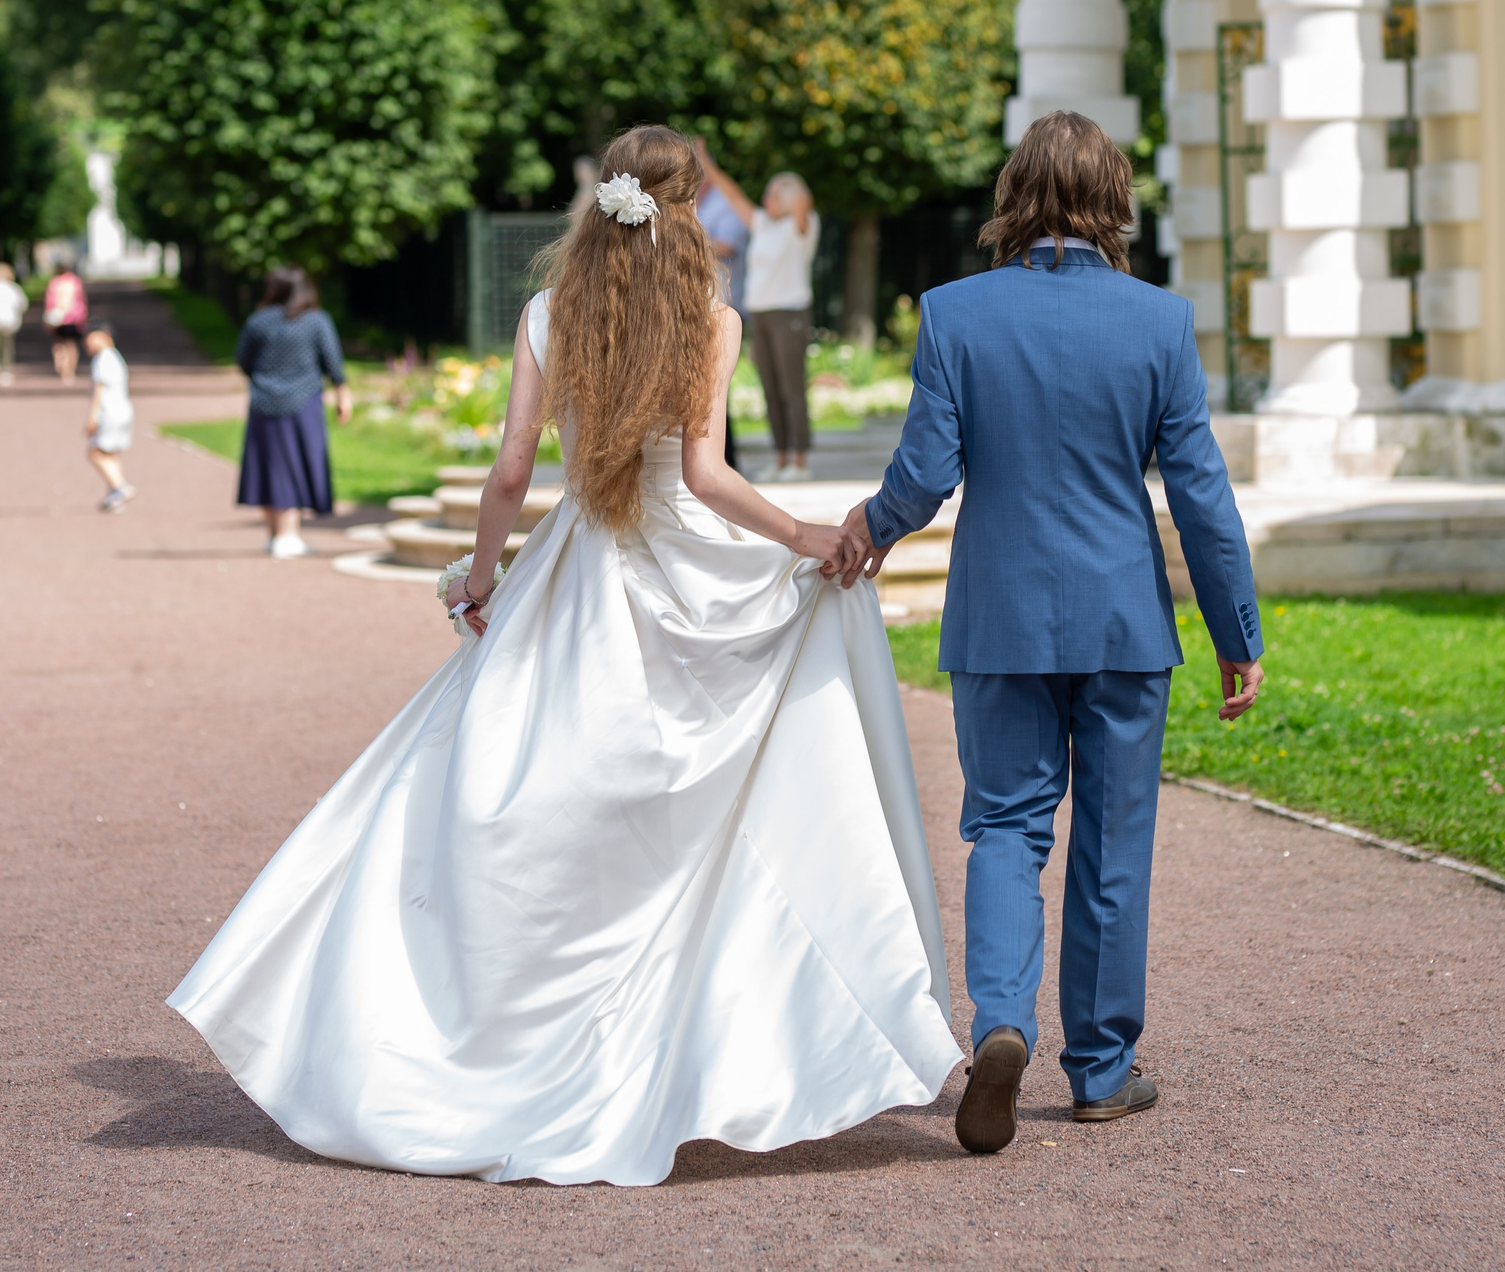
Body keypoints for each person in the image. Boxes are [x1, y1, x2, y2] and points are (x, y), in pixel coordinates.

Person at [170, 126, 959, 1185]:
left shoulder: (550, 311)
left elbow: (509, 473)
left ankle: (499, 1031)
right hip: (680, 564)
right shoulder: (710, 319)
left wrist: (481, 577)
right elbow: (705, 475)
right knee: (707, 794)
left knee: (515, 793)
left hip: (575, 567)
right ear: (688, 211)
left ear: (604, 199)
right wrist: (803, 535)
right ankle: (691, 1034)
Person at [835, 110, 1265, 1156]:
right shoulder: (1160, 323)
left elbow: (927, 474)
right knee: (1114, 843)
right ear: (1114, 200)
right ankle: (1102, 1073)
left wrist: (871, 527)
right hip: (1124, 623)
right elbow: (1201, 497)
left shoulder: (954, 313)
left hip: (1000, 618)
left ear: (1012, 196)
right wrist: (1235, 628)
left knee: (1006, 826)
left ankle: (1000, 1021)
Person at [700, 152, 817, 482]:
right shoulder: (763, 224)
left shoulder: (802, 226)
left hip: (789, 312)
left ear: (789, 198)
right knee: (770, 388)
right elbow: (734, 195)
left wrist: (787, 186)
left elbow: (804, 198)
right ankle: (780, 458)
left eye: (773, 194)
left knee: (792, 388)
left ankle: (799, 461)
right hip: (760, 315)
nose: (766, 199)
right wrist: (708, 165)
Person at [233, 266, 350, 558]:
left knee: (267, 466)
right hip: (303, 402)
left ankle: (275, 534)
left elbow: (242, 359)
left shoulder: (259, 320)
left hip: (263, 402)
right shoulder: (316, 321)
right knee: (295, 465)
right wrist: (342, 395)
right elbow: (333, 361)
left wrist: (264, 379)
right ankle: (287, 536)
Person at [690, 140, 751, 471]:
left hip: (722, 306)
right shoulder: (691, 204)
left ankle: (725, 462)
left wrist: (682, 240)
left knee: (716, 386)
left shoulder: (725, 206)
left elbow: (726, 245)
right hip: (692, 307)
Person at [84, 319, 136, 512]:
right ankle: (114, 496)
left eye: (91, 338)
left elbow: (99, 389)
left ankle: (121, 487)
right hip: (123, 410)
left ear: (104, 337)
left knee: (95, 453)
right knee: (111, 454)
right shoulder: (116, 356)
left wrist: (92, 416)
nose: (87, 344)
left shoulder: (103, 358)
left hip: (109, 412)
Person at [42, 266, 88, 383]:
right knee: (71, 345)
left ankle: (60, 366)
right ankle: (70, 370)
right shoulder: (75, 281)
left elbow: (49, 302)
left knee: (58, 344)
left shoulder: (54, 282)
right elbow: (80, 301)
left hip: (57, 318)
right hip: (73, 318)